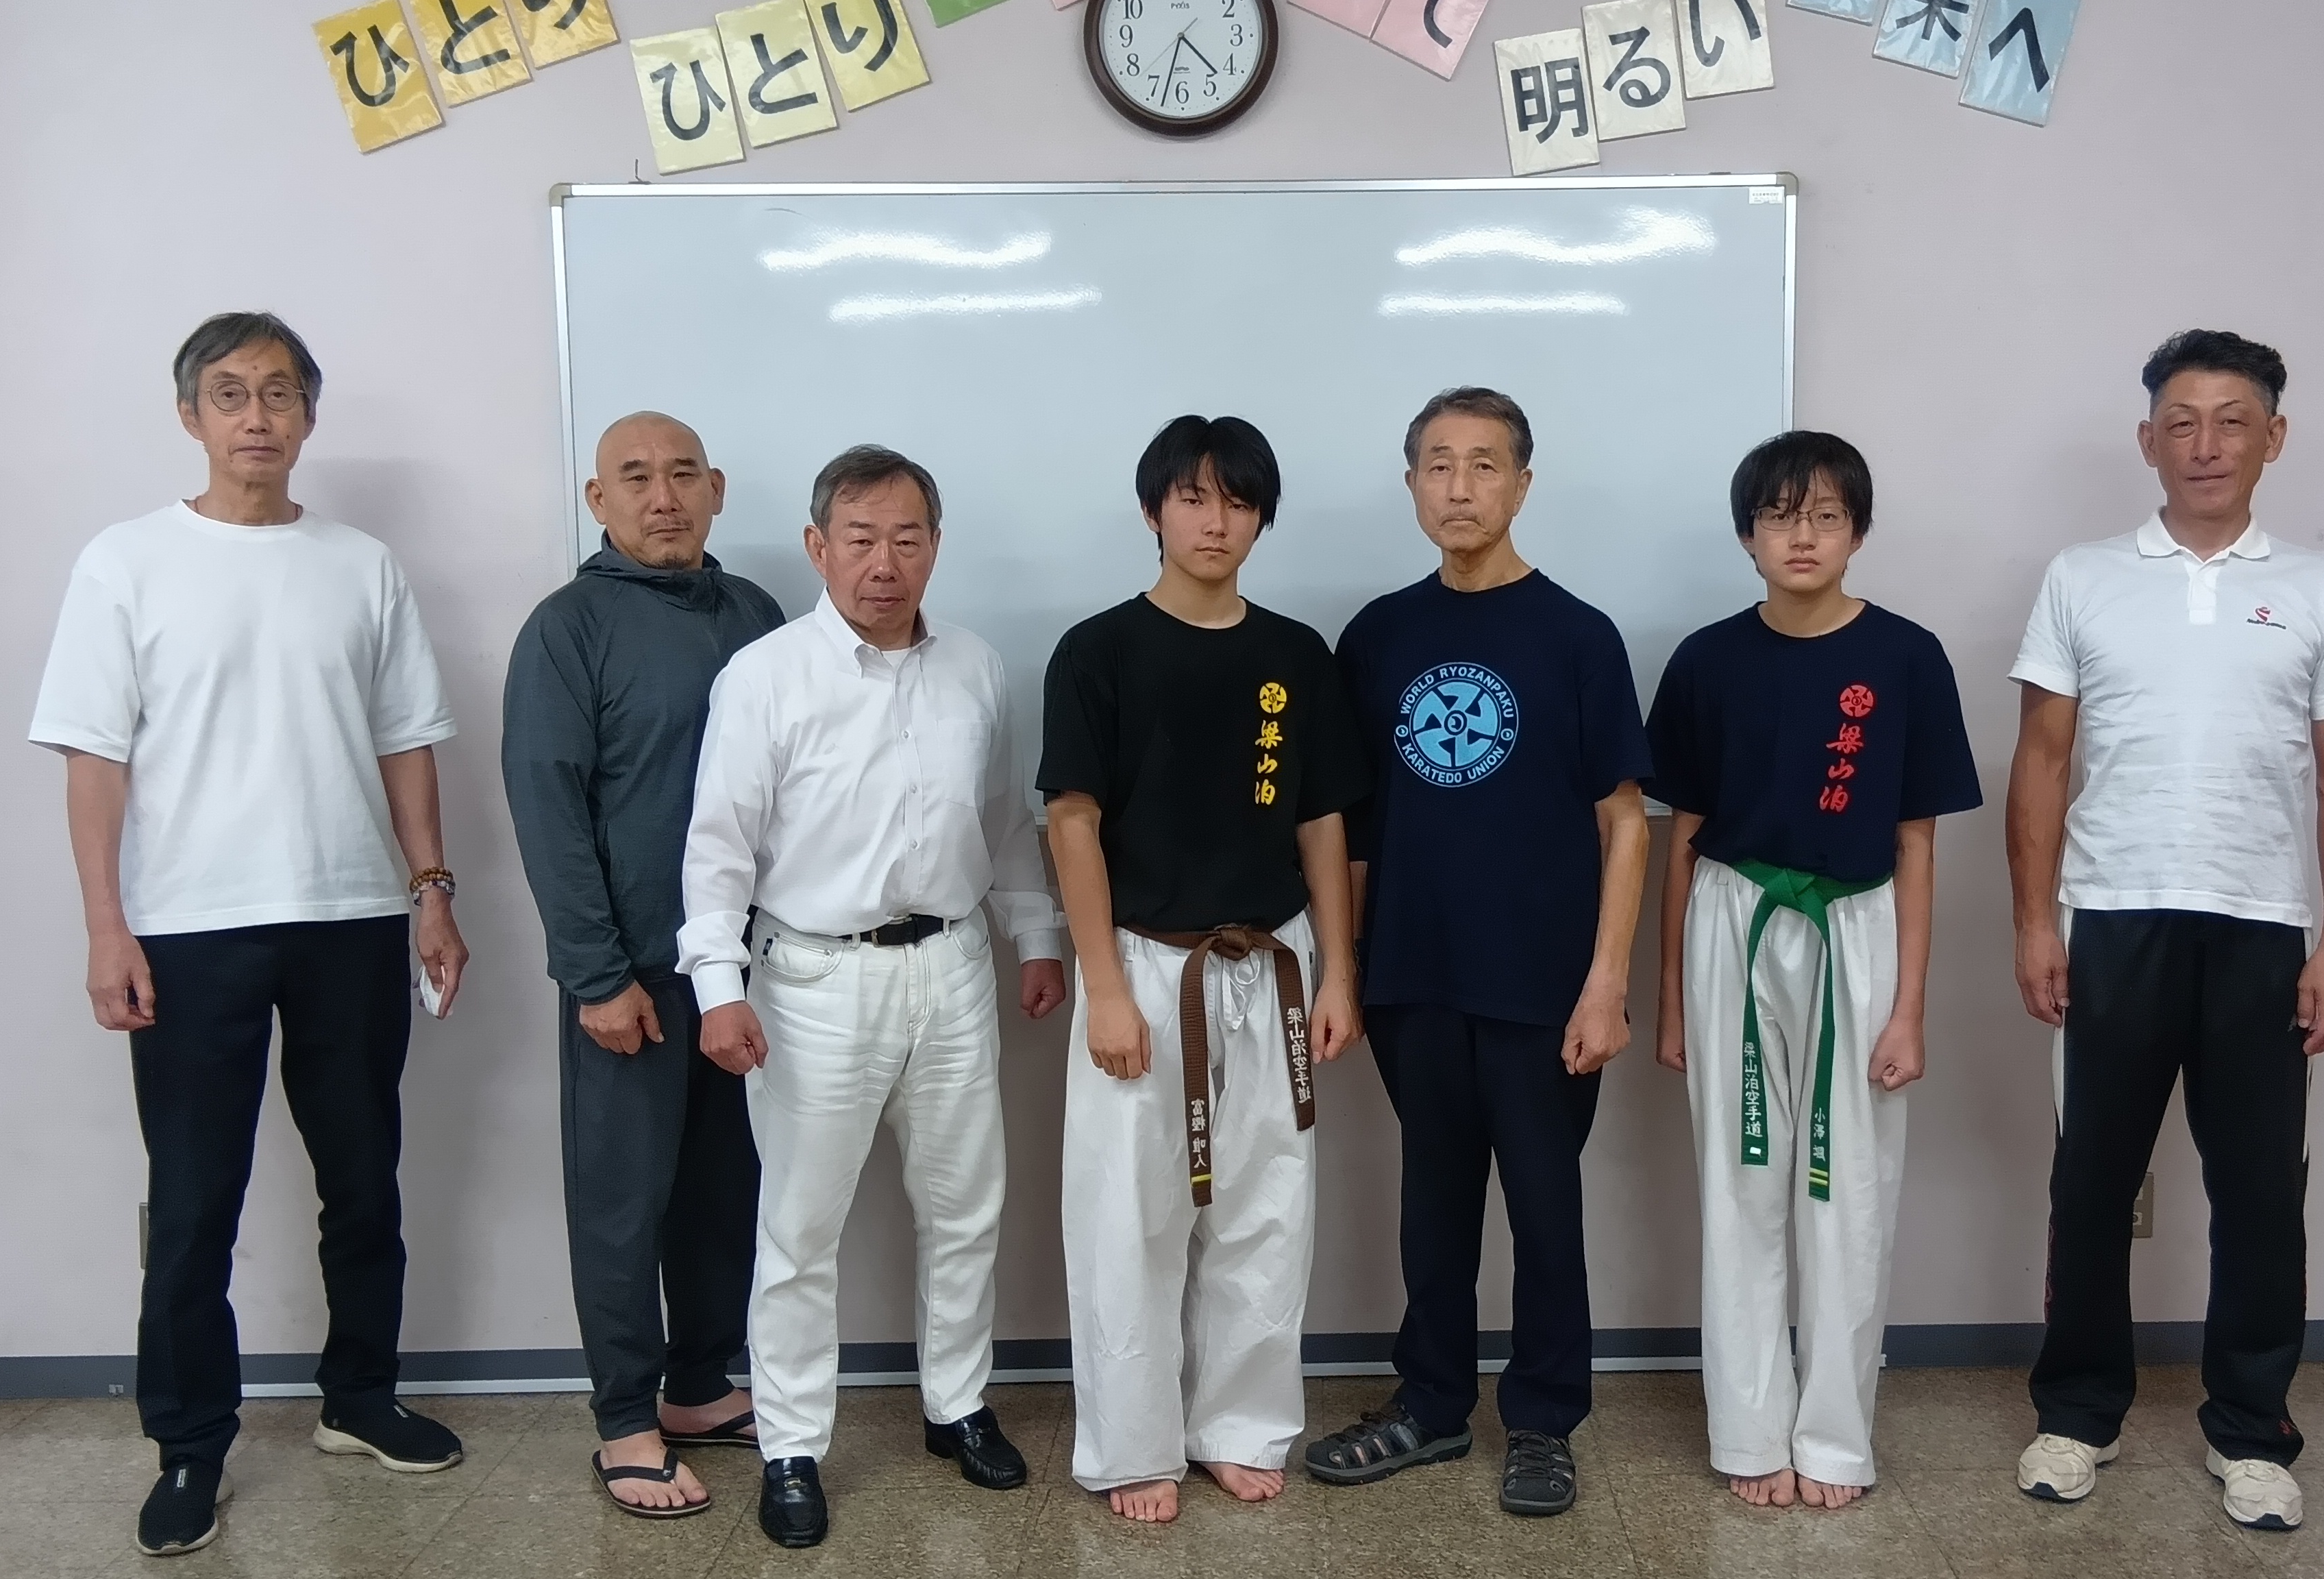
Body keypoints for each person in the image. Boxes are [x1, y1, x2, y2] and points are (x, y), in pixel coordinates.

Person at [28, 313, 471, 1558]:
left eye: (280, 393)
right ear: (191, 416)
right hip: (188, 928)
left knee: (363, 1180)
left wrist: (432, 890)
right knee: (192, 1202)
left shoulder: (362, 565)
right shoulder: (125, 562)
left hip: (350, 916)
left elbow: (405, 739)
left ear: (309, 415)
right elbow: (94, 762)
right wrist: (106, 928)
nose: (257, 416)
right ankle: (189, 1443)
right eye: (230, 394)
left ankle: (359, 1398)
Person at [2006, 330, 2324, 1533]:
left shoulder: (2321, 587)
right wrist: (2035, 922)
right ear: (2147, 441)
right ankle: (2078, 1415)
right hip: (2112, 919)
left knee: (2263, 1195)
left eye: (2232, 421)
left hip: (2264, 930)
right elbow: (2042, 759)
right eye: (2181, 421)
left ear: (2275, 438)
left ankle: (2252, 1432)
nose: (2205, 444)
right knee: (2091, 1183)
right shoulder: (2083, 577)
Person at [678, 445, 1068, 1549]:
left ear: (935, 547)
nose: (883, 563)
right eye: (860, 539)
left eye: (906, 539)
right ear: (818, 547)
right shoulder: (764, 676)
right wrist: (717, 988)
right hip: (811, 979)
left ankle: (958, 1407)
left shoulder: (976, 668)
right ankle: (792, 1445)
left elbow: (1003, 821)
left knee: (966, 1206)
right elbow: (718, 848)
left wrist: (1036, 939)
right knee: (801, 1227)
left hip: (951, 965)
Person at [1302, 387, 1650, 1519]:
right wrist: (1348, 969)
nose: (1460, 488)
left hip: (1544, 984)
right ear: (1412, 484)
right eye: (1439, 465)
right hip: (1414, 978)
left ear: (1523, 485)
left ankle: (1544, 1421)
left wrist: (1608, 983)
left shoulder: (1578, 635)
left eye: (1485, 465)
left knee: (1546, 1212)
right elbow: (1353, 830)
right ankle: (1433, 1403)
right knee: (1434, 1208)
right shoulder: (1378, 636)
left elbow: (1625, 821)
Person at [1646, 432, 1983, 1510]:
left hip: (1859, 923)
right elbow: (1682, 837)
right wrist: (1672, 1000)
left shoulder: (1907, 658)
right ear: (1747, 534)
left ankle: (1835, 1436)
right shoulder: (1706, 660)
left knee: (1851, 1189)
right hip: (1733, 919)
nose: (1804, 536)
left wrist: (1910, 1008)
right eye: (1781, 516)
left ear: (1859, 533)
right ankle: (1750, 1432)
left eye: (1827, 516)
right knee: (1740, 1184)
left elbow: (1919, 843)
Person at [1040, 415, 1365, 1525]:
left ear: (1262, 517)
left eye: (1236, 500)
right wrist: (1105, 988)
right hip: (1144, 961)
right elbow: (1072, 822)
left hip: (1274, 962)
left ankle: (1239, 1424)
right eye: (1191, 497)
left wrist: (1339, 973)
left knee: (1267, 1206)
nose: (1214, 521)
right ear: (1153, 511)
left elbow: (1321, 820)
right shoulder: (1097, 651)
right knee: (1129, 1215)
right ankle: (1133, 1444)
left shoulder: (1296, 656)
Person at [501, 413, 784, 1519]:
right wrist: (595, 974)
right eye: (635, 478)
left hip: (742, 971)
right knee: (623, 1204)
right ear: (598, 500)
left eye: (682, 475)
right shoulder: (567, 628)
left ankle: (699, 1387)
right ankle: (625, 1419)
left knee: (724, 1190)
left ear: (716, 489)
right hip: (633, 976)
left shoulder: (756, 614)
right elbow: (547, 802)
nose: (662, 498)